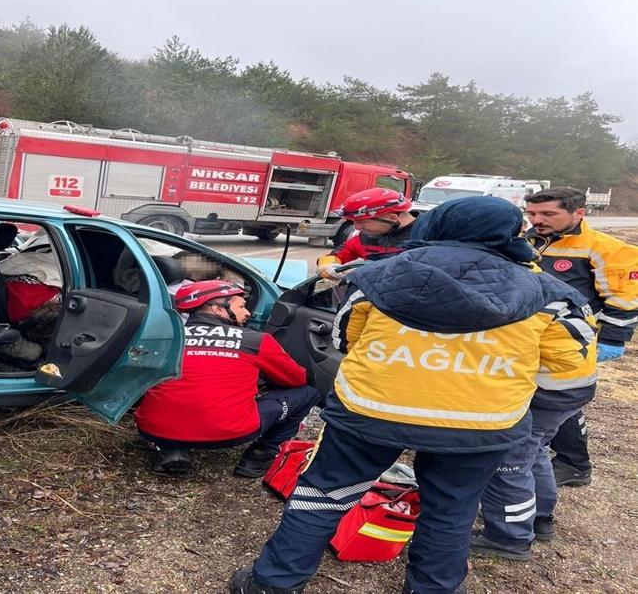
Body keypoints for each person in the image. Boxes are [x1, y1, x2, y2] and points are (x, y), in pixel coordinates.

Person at [230, 197, 594, 594]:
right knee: (449, 513)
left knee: (324, 496)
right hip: (479, 425)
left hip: (369, 413)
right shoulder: (551, 296)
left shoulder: (377, 278)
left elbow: (345, 338)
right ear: (511, 233)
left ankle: (272, 584)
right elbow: (568, 371)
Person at [134, 280, 320, 477]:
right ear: (218, 309)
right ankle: (258, 457)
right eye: (241, 306)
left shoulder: (167, 337)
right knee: (308, 393)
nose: (248, 313)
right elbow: (296, 379)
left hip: (152, 429)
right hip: (230, 432)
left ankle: (172, 449)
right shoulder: (255, 340)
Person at [525, 187, 637, 487]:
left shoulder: (603, 248)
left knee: (560, 400)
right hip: (539, 333)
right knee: (545, 400)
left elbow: (625, 297)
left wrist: (613, 339)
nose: (537, 219)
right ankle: (558, 457)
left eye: (548, 214)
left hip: (576, 338)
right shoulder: (532, 240)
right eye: (532, 213)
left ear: (578, 213)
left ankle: (573, 464)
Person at [316, 188, 418, 279]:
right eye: (354, 222)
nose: (356, 227)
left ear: (393, 218)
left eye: (361, 221)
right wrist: (327, 265)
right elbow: (339, 253)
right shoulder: (367, 237)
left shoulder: (427, 236)